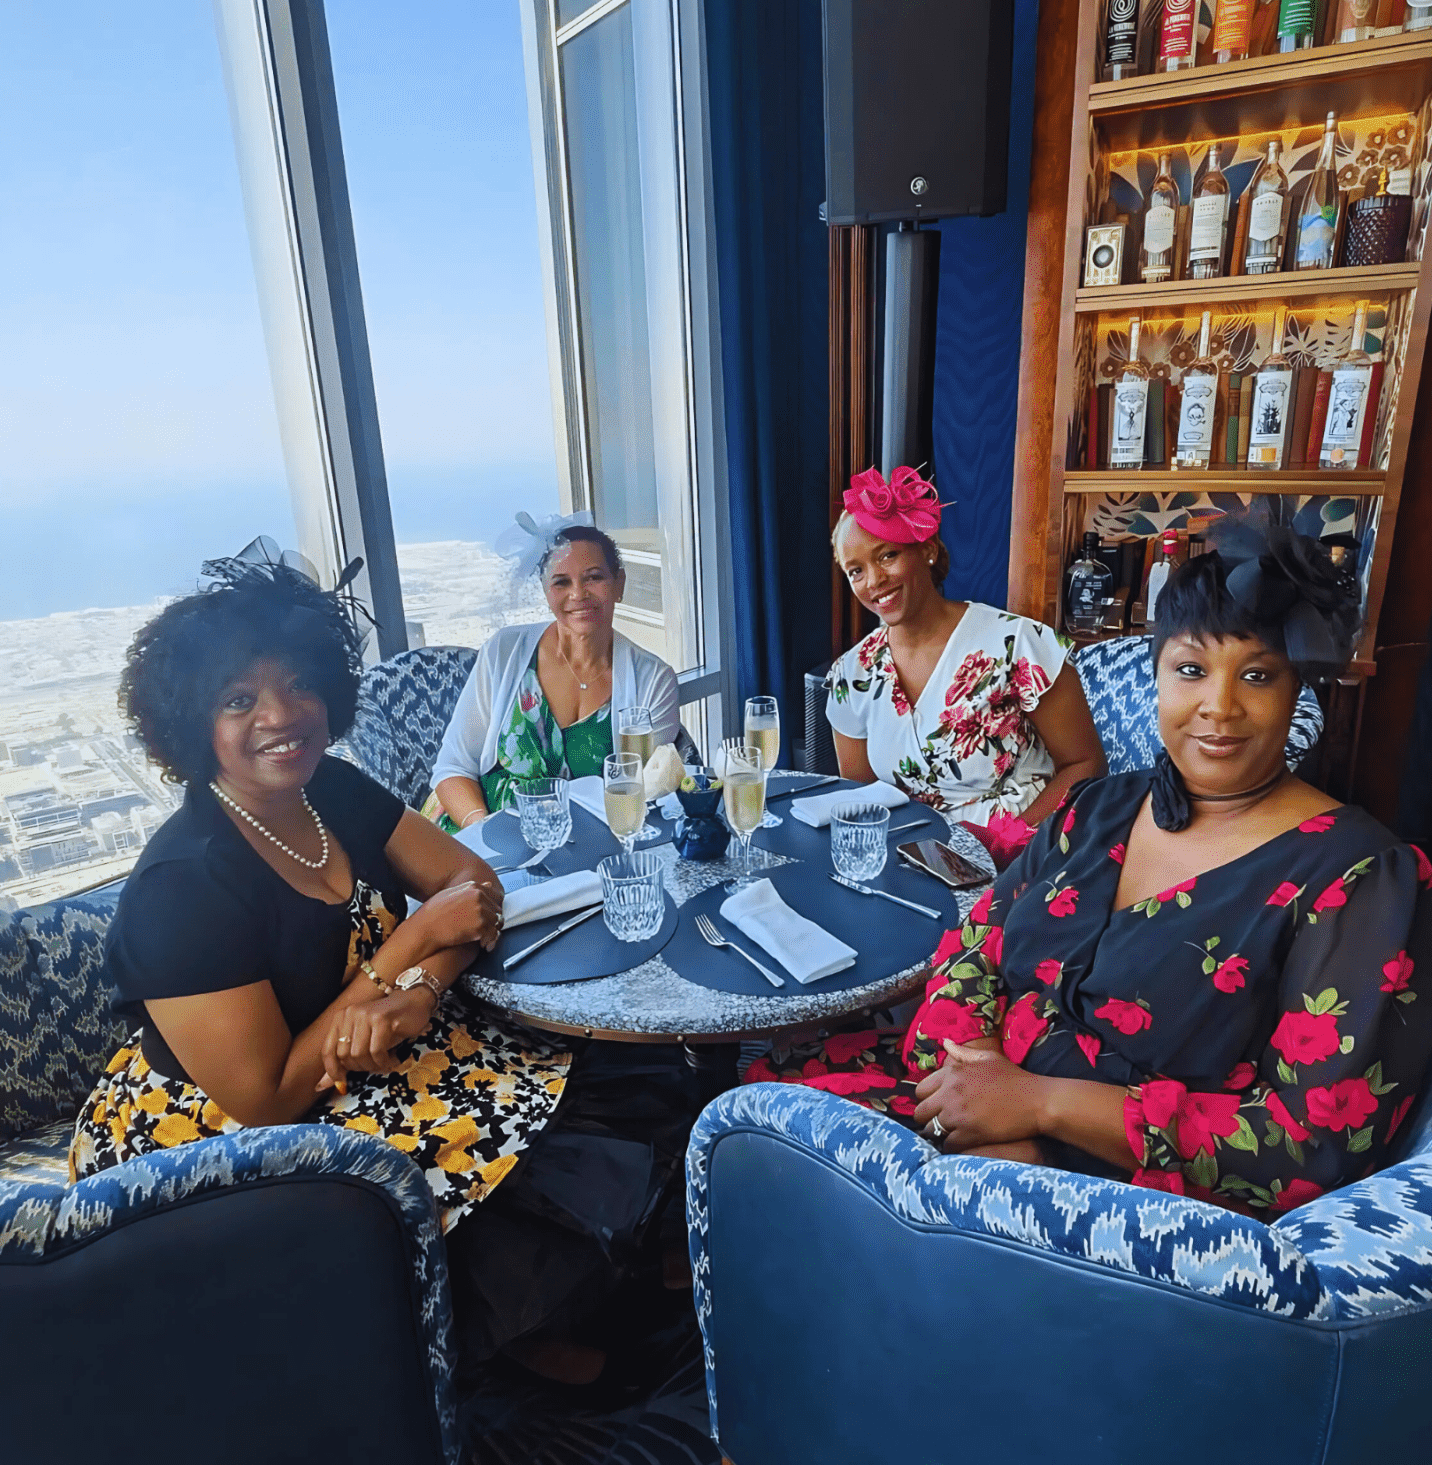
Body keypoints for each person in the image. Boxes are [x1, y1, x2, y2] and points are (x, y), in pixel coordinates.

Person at [67, 542, 697, 1381]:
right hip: (222, 1130)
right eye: (239, 699)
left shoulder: (329, 788)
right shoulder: (184, 886)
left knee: (605, 1064)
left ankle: (586, 1287)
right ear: (190, 722)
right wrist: (409, 946)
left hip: (375, 1051)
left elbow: (473, 887)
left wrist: (421, 988)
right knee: (468, 1156)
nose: (281, 715)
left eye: (299, 684)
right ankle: (517, 1338)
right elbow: (268, 1096)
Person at [751, 520, 1432, 1219]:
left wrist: (1039, 1110)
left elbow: (1309, 1145)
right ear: (1157, 677)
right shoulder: (1101, 808)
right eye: (1190, 670)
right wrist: (974, 1082)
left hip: (1120, 1214)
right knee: (757, 1110)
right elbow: (975, 943)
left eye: (1258, 675)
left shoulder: (1359, 877)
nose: (1219, 707)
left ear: (1297, 687)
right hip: (970, 1115)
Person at [827, 465, 1106, 865]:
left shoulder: (1017, 644)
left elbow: (1086, 765)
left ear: (927, 550)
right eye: (856, 571)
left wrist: (1007, 846)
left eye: (887, 555)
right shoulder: (851, 675)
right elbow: (863, 799)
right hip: (914, 862)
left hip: (1025, 856)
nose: (873, 581)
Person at [429, 516, 679, 831]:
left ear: (620, 584)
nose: (578, 594)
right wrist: (483, 832)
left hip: (594, 842)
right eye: (561, 582)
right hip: (480, 830)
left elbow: (645, 794)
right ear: (545, 591)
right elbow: (453, 768)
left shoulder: (654, 681)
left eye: (594, 577)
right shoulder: (503, 651)